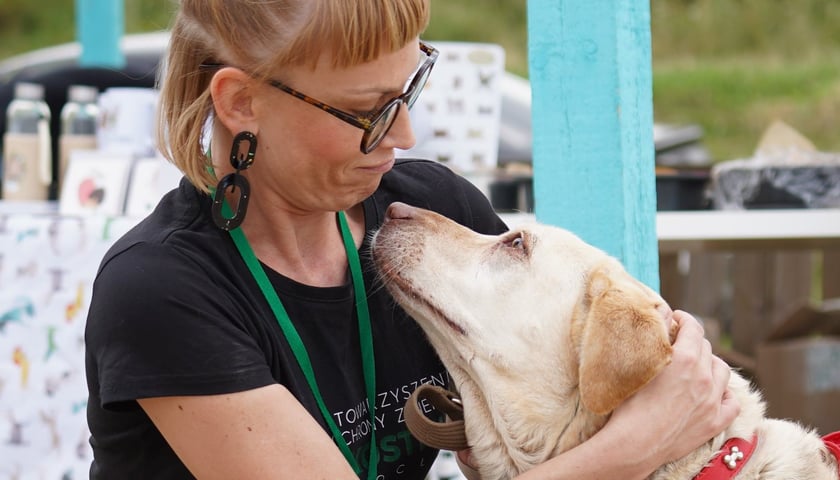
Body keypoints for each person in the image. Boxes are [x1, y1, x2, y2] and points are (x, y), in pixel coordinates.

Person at [83, 1, 740, 479]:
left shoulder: (425, 209)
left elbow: (601, 392)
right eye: (368, 111)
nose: (404, 137)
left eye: (409, 90)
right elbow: (626, 439)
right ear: (240, 103)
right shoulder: (160, 291)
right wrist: (636, 445)